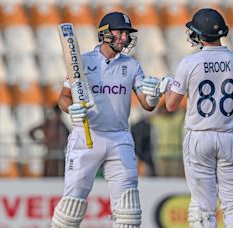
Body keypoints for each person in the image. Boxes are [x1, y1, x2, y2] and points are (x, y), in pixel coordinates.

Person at [141, 8, 233, 228]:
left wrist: (165, 87)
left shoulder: (189, 63)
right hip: (230, 139)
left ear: (200, 35)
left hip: (199, 138)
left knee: (203, 209)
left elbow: (172, 105)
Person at [51, 12, 161, 228]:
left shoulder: (132, 65)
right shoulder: (83, 61)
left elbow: (147, 104)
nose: (124, 38)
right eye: (120, 32)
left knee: (128, 210)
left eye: (126, 34)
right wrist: (70, 108)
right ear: (105, 33)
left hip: (119, 138)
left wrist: (154, 95)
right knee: (72, 206)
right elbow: (64, 97)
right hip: (86, 135)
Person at [29, 104, 69, 177]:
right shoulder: (48, 123)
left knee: (60, 176)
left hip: (60, 155)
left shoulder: (63, 125)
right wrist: (40, 141)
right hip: (49, 154)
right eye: (57, 113)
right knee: (48, 175)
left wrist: (64, 144)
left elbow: (70, 139)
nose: (58, 115)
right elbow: (31, 132)